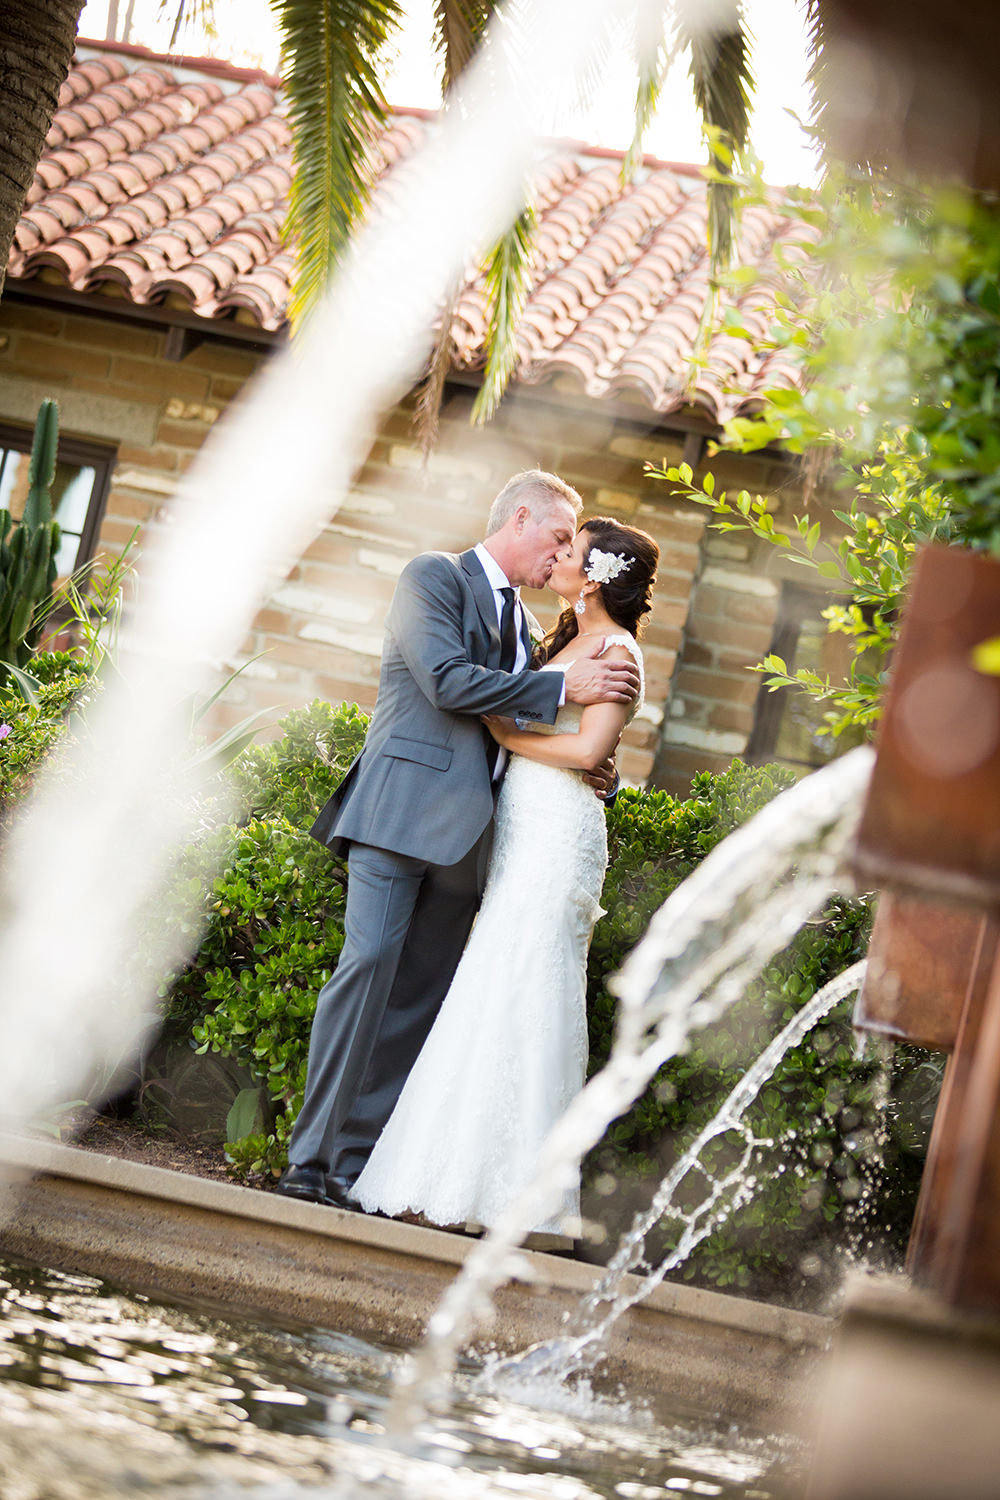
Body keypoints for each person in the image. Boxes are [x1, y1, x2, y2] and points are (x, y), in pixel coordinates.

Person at [276, 472, 641, 1208]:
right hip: (399, 815)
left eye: (575, 545)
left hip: (477, 841)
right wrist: (560, 692)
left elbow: (534, 741)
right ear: (521, 519)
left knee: (416, 1002)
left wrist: (600, 770)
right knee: (368, 968)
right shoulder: (433, 578)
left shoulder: (533, 631)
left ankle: (354, 1165)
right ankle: (306, 1162)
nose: (565, 554)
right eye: (561, 537)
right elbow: (445, 681)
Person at [349, 516, 658, 1233]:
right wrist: (517, 726)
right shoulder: (556, 638)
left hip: (557, 835)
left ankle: (520, 1200)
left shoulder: (617, 651)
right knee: (490, 983)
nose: (557, 558)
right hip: (519, 829)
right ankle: (446, 1176)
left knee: (533, 985)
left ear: (597, 576)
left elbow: (587, 753)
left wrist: (507, 731)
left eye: (571, 552)